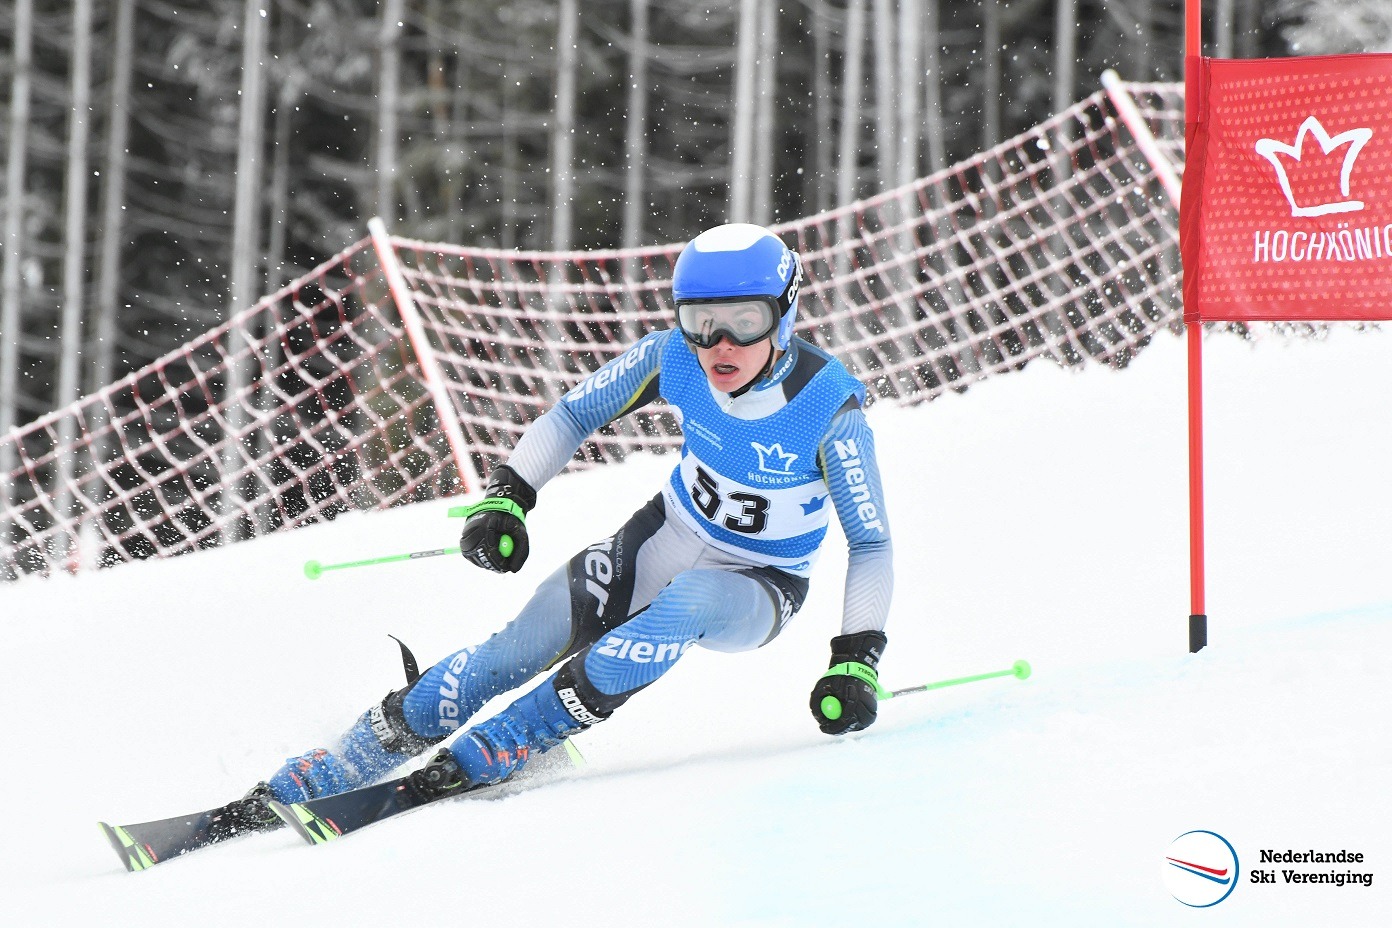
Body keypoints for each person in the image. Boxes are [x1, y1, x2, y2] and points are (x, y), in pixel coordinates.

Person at [226, 222, 895, 826]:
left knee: (686, 603)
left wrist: (856, 660)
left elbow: (869, 541)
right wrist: (507, 497)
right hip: (661, 539)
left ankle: (515, 738)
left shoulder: (828, 409)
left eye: (744, 321)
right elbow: (573, 414)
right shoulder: (674, 358)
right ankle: (345, 761)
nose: (719, 344)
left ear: (784, 314)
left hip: (759, 584)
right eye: (699, 319)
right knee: (515, 649)